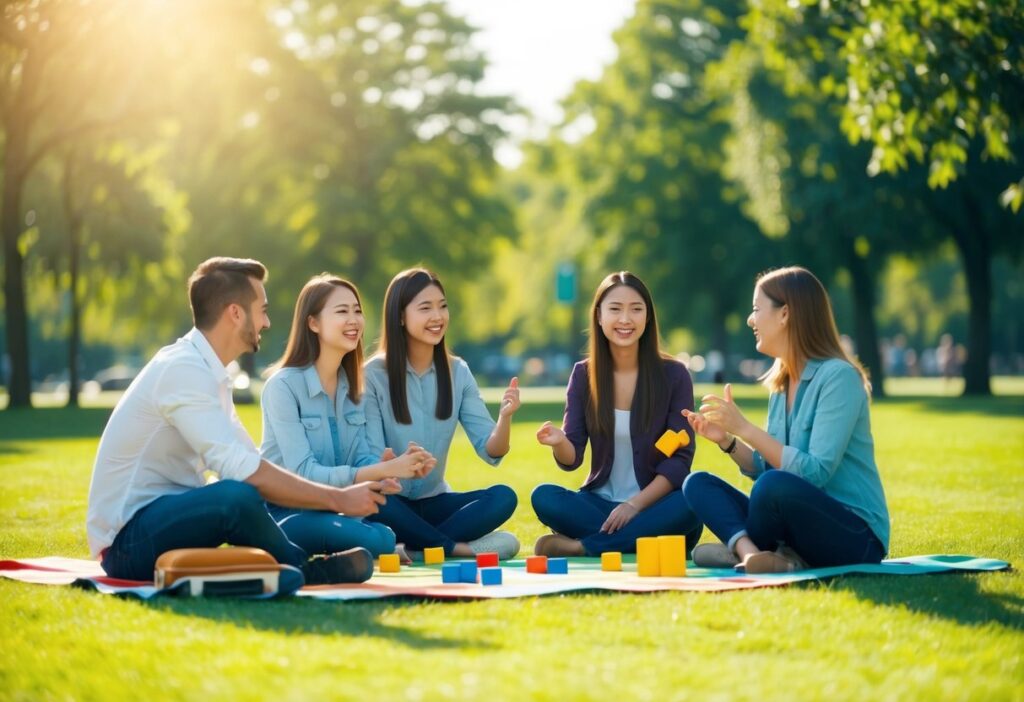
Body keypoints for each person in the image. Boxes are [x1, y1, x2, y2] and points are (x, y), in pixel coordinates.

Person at [87, 257, 398, 585]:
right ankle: (305, 568)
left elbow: (252, 461)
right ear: (236, 313)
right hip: (127, 543)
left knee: (242, 493)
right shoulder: (183, 369)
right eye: (262, 309)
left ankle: (297, 560)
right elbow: (243, 470)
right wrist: (337, 498)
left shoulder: (212, 375)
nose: (266, 322)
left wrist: (336, 495)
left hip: (170, 520)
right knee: (237, 495)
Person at [682, 266, 890, 573]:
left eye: (756, 309)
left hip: (855, 536)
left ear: (785, 314)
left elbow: (814, 473)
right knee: (697, 484)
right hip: (795, 522)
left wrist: (745, 428)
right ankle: (754, 553)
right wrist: (727, 441)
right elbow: (769, 464)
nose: (750, 319)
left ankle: (748, 550)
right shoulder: (780, 384)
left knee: (772, 487)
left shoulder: (839, 378)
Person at [260, 274, 438, 560]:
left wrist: (390, 467)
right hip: (283, 513)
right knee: (379, 538)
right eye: (342, 311)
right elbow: (304, 472)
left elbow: (361, 459)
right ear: (313, 322)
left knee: (384, 533)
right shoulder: (283, 387)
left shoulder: (356, 389)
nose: (354, 320)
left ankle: (355, 549)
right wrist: (377, 472)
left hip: (336, 509)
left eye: (357, 311)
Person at [531, 271, 703, 557]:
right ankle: (639, 541)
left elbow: (680, 463)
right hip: (600, 506)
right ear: (599, 316)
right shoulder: (583, 375)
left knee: (694, 498)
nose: (625, 319)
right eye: (615, 309)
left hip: (654, 504)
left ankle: (583, 546)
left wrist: (634, 505)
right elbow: (571, 459)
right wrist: (560, 441)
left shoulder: (674, 375)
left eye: (636, 309)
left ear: (647, 317)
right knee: (544, 497)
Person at [362, 267, 521, 560]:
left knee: (503, 497)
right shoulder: (372, 375)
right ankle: (452, 548)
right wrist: (398, 465)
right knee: (376, 502)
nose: (438, 317)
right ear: (400, 316)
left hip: (436, 503)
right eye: (425, 308)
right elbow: (371, 459)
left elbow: (491, 449)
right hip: (391, 503)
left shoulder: (457, 371)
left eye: (442, 306)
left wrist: (505, 418)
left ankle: (415, 548)